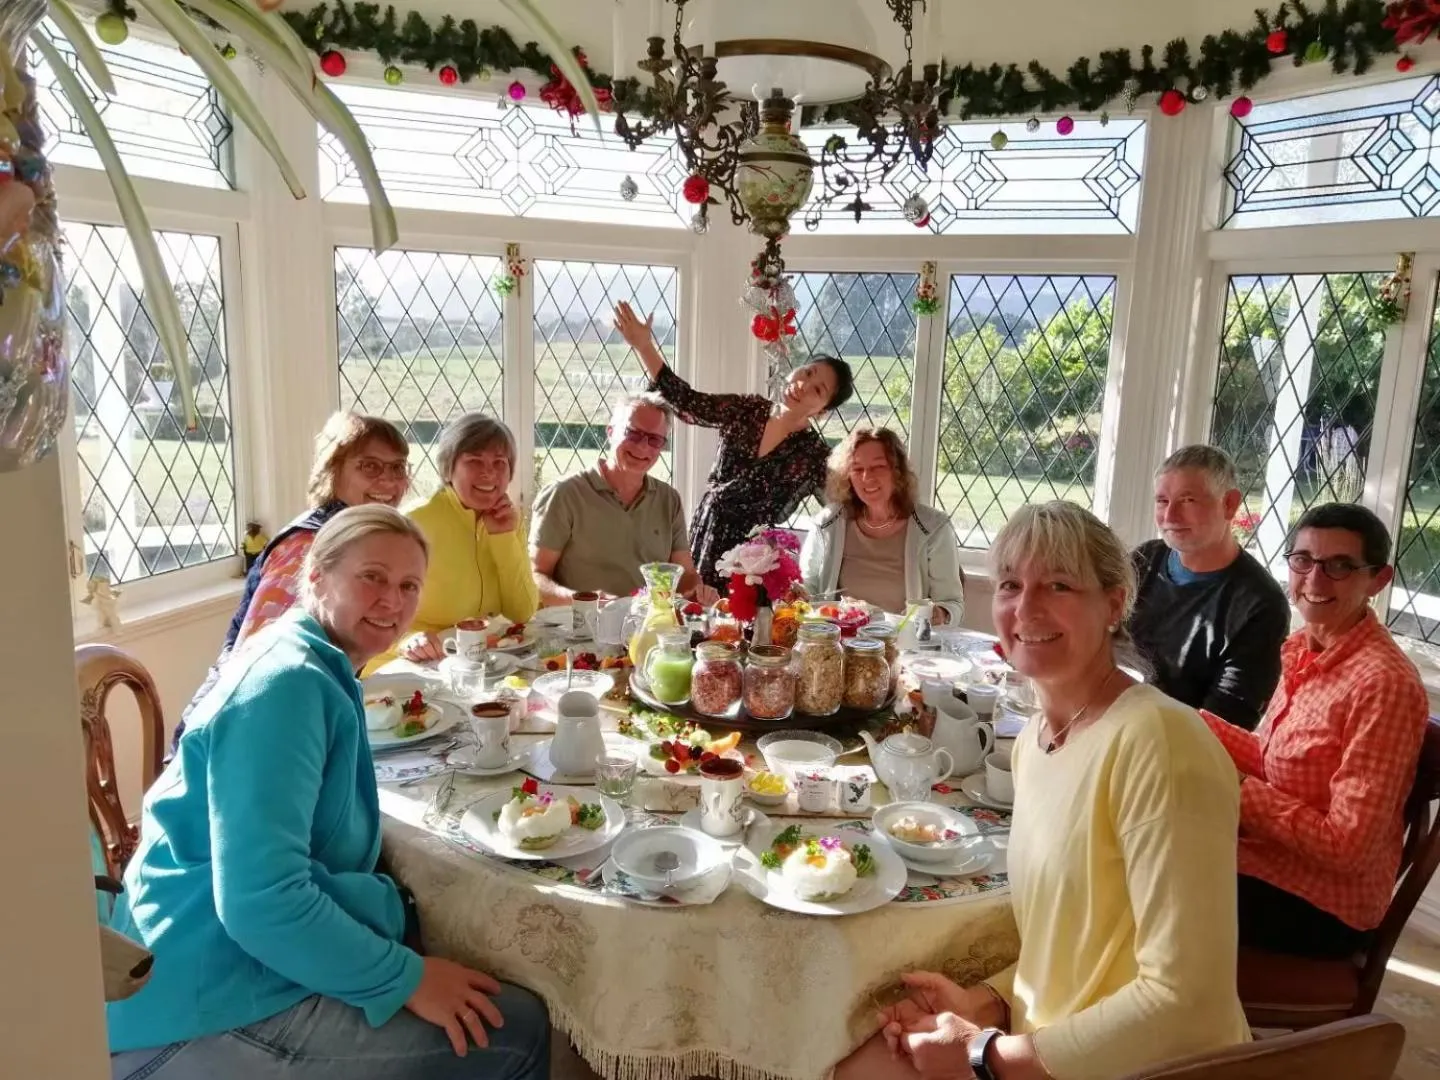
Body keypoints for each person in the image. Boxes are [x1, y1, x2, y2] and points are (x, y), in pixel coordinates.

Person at [108, 506, 551, 1080]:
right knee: (517, 1029)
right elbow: (260, 901)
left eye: (409, 585)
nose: (392, 600)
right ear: (316, 574)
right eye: (372, 577)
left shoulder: (308, 658)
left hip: (217, 964)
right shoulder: (285, 687)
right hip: (200, 1006)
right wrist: (405, 977)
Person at [835, 501, 1248, 1080]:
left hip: (1147, 1066)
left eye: (1059, 584)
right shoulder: (1034, 742)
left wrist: (987, 1057)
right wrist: (984, 1003)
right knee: (853, 1053)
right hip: (1050, 1043)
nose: (1026, 608)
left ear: (1115, 603)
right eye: (1010, 584)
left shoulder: (1161, 741)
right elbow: (1071, 946)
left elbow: (1187, 1002)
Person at [1202, 502, 1430, 960]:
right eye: (1303, 560)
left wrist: (1233, 787)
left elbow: (1348, 847)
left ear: (1377, 581)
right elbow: (1275, 760)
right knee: (1134, 839)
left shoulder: (1384, 685)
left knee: (1133, 872)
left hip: (1324, 907)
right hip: (1269, 861)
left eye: (1340, 566)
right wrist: (1185, 724)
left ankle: (1166, 1015)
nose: (1314, 579)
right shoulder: (1303, 648)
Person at [174, 412, 410, 744]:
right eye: (370, 466)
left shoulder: (355, 537)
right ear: (333, 469)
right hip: (234, 739)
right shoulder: (306, 547)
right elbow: (256, 666)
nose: (389, 481)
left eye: (397, 467)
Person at [614, 300, 855, 587]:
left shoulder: (813, 455)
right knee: (695, 620)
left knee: (742, 628)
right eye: (808, 372)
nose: (803, 384)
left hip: (752, 562)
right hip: (706, 533)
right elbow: (689, 402)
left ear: (822, 410)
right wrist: (644, 345)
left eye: (817, 389)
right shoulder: (747, 409)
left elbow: (844, 508)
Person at [1130, 445, 1289, 731]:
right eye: (1162, 501)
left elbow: (1227, 721)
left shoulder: (1260, 605)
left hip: (1175, 751)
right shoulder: (1145, 561)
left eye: (1188, 500)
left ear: (1229, 504)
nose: (1170, 516)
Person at [530, 392, 716, 605]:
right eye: (633, 433)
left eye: (654, 440)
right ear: (610, 432)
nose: (643, 447)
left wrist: (698, 592)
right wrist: (585, 601)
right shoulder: (563, 494)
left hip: (648, 629)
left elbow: (685, 576)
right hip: (582, 628)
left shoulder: (668, 499)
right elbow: (535, 577)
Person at [395, 414, 538, 664]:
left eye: (499, 462)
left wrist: (503, 537)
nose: (489, 473)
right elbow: (368, 609)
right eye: (474, 461)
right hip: (420, 661)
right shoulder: (412, 523)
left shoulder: (507, 520)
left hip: (482, 660)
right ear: (449, 468)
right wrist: (406, 639)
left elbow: (522, 612)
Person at [801, 427, 963, 624]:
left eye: (878, 467)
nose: (867, 477)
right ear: (847, 476)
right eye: (857, 469)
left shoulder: (933, 527)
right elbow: (808, 586)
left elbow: (952, 604)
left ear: (897, 472)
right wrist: (796, 593)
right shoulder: (828, 522)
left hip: (904, 643)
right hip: (840, 641)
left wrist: (939, 613)